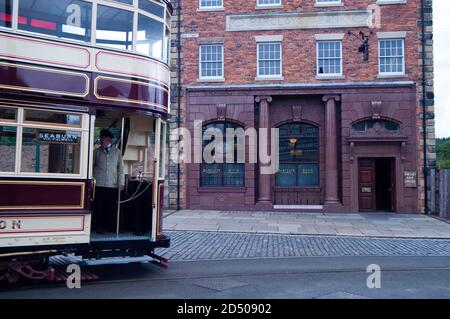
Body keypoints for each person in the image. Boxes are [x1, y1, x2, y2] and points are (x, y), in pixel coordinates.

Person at [92, 128, 125, 234]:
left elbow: (121, 168)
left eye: (103, 139)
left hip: (112, 184)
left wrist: (121, 183)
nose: (101, 141)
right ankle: (99, 227)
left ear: (108, 140)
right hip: (99, 184)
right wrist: (92, 181)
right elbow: (91, 168)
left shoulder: (117, 153)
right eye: (101, 138)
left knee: (111, 208)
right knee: (99, 207)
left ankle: (111, 227)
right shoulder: (96, 152)